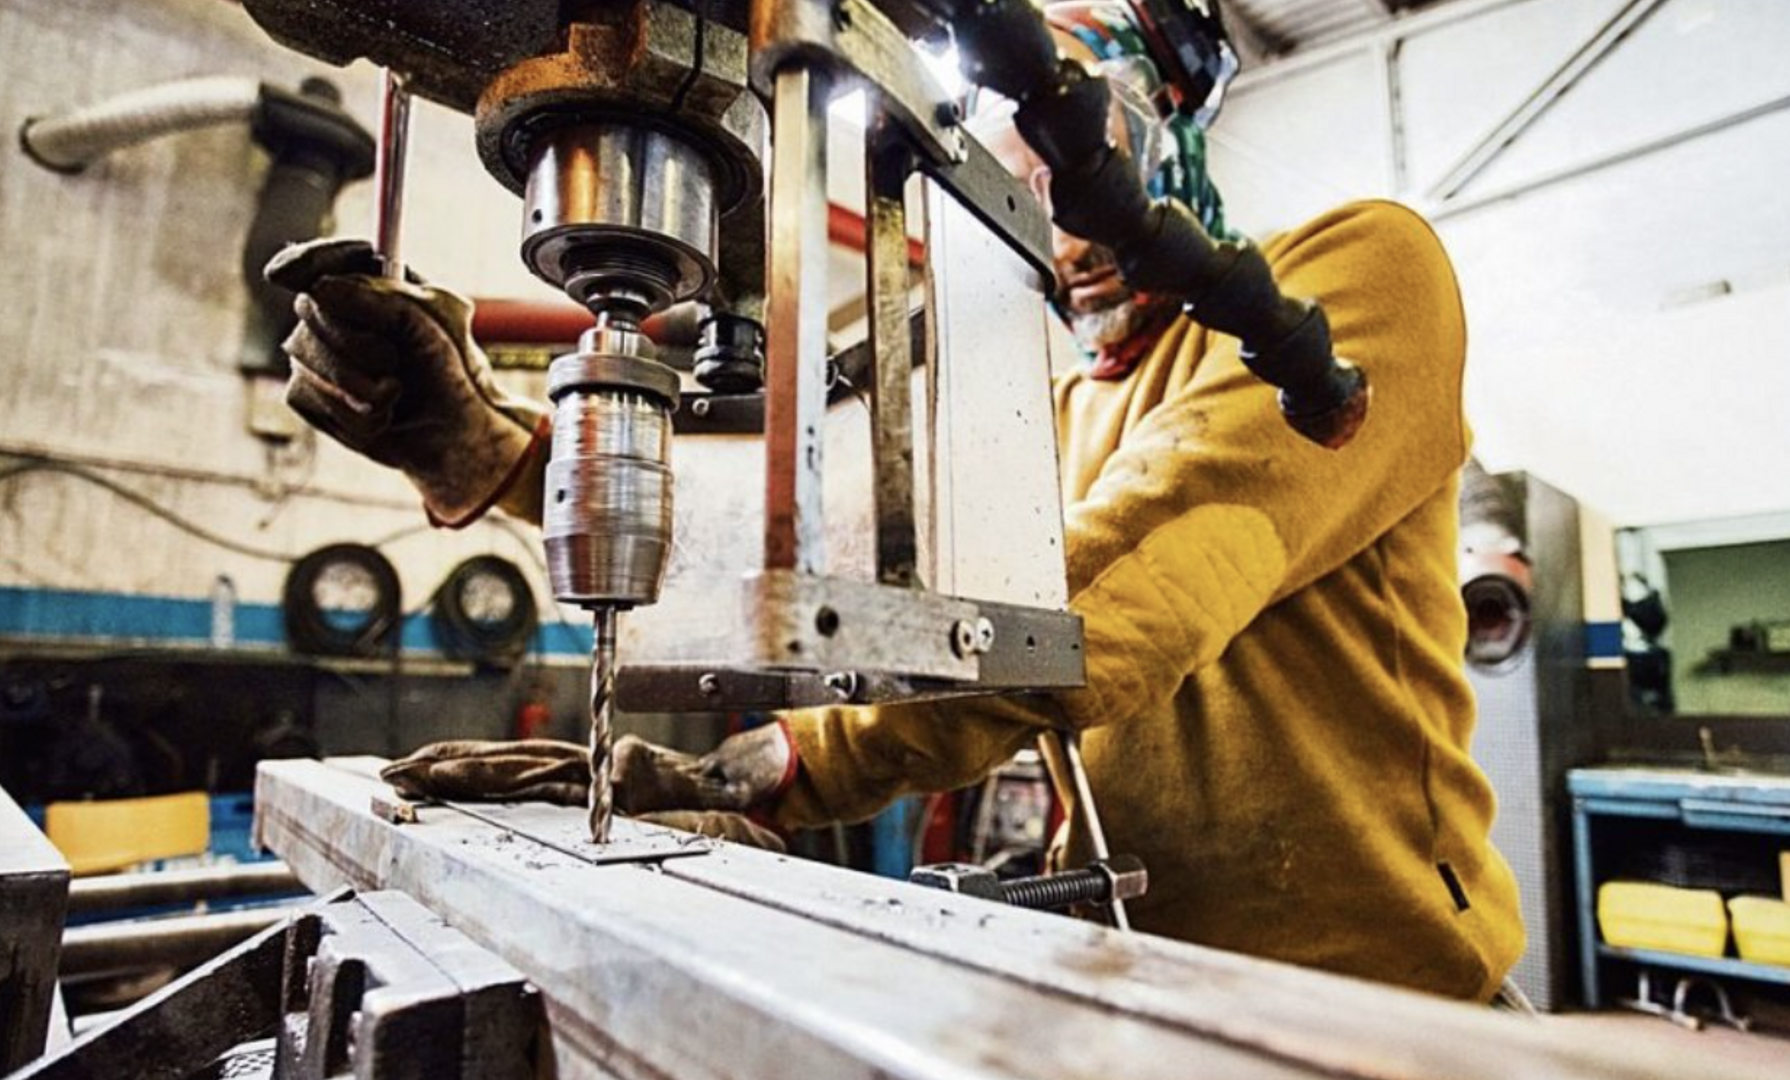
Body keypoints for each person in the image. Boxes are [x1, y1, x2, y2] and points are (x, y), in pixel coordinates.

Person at [267, 2, 1523, 1001]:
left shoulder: (1344, 294)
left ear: (1159, 127)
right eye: (1012, 158)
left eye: (1073, 144)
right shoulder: (1051, 406)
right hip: (1152, 981)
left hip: (1383, 1003)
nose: (1044, 205)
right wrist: (496, 455)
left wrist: (765, 772)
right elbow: (823, 558)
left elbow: (1109, 597)